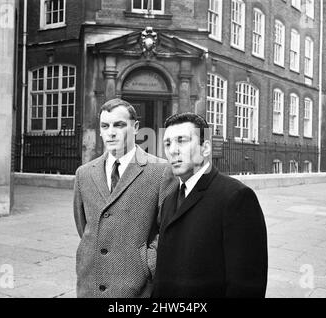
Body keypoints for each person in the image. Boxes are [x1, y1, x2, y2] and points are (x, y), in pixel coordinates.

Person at [153, 112, 268, 298]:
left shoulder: (236, 197)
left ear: (205, 148)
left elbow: (246, 286)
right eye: (167, 143)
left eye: (181, 141)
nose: (173, 150)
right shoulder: (170, 198)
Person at [73, 98, 175, 298]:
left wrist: (146, 264)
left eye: (119, 125)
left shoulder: (161, 171)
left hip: (136, 287)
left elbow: (168, 231)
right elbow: (84, 225)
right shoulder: (84, 173)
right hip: (90, 282)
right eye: (105, 126)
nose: (111, 132)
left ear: (135, 127)